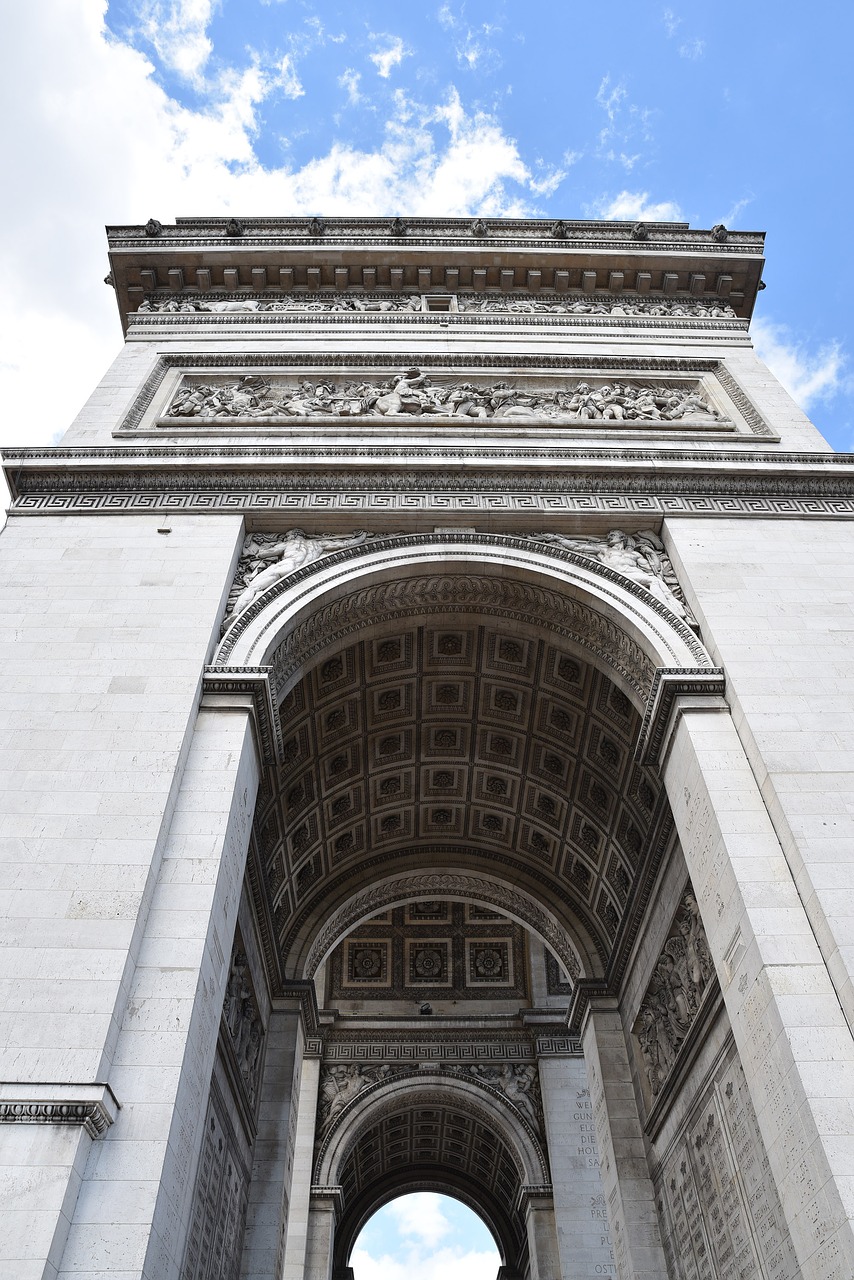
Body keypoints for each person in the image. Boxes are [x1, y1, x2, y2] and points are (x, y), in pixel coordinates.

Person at [231, 529, 368, 616]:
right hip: (306, 573)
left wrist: (267, 545)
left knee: (254, 587)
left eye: (287, 536)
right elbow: (344, 545)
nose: (286, 538)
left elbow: (262, 553)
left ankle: (236, 614)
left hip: (285, 567)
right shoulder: (318, 544)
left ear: (293, 535)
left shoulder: (290, 544)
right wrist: (361, 537)